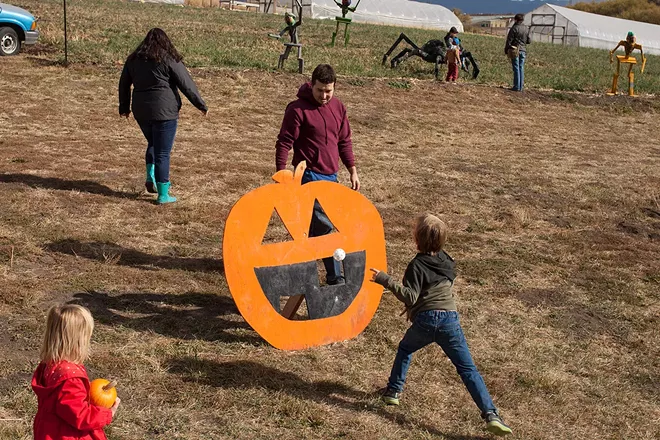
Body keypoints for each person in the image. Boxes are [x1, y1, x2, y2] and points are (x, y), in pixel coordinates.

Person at [370, 214, 512, 437]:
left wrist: (385, 280)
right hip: (450, 320)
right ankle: (491, 414)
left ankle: (393, 391)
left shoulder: (416, 265)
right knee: (467, 369)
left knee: (406, 349)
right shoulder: (448, 261)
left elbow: (410, 297)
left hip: (426, 321)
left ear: (417, 239)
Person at [275, 64, 359, 285]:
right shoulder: (297, 109)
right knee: (324, 226)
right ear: (311, 85)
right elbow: (284, 142)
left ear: (335, 88)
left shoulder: (339, 108)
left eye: (328, 91)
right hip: (309, 176)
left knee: (311, 229)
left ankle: (298, 272)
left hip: (332, 176)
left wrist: (352, 169)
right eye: (320, 90)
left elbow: (344, 141)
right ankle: (336, 277)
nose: (324, 95)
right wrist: (281, 172)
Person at [119, 28, 208, 205]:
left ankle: (150, 177)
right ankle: (163, 193)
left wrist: (124, 107)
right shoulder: (168, 58)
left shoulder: (133, 59)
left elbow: (123, 84)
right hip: (165, 112)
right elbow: (186, 83)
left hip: (141, 111)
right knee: (163, 152)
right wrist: (200, 104)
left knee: (153, 143)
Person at [32, 304, 120, 440]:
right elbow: (81, 416)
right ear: (78, 341)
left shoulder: (48, 365)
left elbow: (67, 403)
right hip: (66, 435)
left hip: (48, 430)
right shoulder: (70, 379)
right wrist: (108, 414)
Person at [505, 14, 531, 92]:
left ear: (515, 20)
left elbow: (509, 41)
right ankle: (521, 87)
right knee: (521, 67)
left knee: (516, 68)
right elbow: (529, 41)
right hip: (523, 50)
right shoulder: (526, 28)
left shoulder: (514, 28)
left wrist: (506, 49)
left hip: (515, 50)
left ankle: (516, 86)